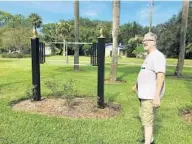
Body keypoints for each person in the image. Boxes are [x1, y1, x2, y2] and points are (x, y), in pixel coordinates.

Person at [132, 32, 166, 144]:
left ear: (154, 42)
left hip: (150, 96)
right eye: (143, 40)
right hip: (144, 94)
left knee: (147, 121)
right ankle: (149, 139)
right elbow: (145, 73)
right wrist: (136, 86)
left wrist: (156, 96)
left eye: (148, 40)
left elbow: (160, 76)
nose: (144, 42)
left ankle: (148, 142)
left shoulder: (158, 56)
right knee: (144, 117)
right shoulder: (150, 56)